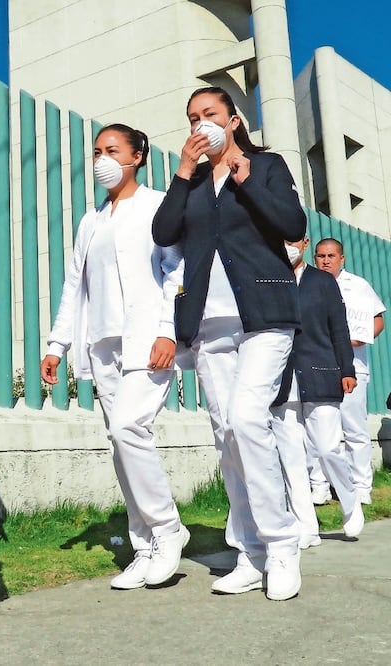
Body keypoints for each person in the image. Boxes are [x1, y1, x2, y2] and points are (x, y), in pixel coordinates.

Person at [152, 86, 307, 601]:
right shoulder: (192, 181)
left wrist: (244, 177)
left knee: (246, 420)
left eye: (210, 114)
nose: (201, 123)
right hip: (210, 323)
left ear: (234, 120)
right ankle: (250, 552)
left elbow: (292, 224)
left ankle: (282, 545)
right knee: (227, 436)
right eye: (193, 117)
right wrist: (181, 173)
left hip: (265, 314)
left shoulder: (265, 165)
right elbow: (164, 231)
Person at [41, 123, 189, 591]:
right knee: (120, 442)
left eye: (112, 150)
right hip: (103, 345)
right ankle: (142, 546)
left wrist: (169, 330)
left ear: (137, 155)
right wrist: (56, 344)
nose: (102, 159)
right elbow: (73, 286)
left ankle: (167, 530)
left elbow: (176, 271)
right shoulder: (90, 221)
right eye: (97, 151)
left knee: (129, 427)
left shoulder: (158, 205)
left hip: (148, 339)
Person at [270, 236, 362, 550]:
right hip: (282, 381)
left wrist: (346, 369)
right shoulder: (270, 277)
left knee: (326, 448)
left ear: (304, 243)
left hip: (320, 374)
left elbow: (339, 327)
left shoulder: (322, 281)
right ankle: (305, 527)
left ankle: (350, 500)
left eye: (292, 240)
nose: (287, 245)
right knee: (292, 460)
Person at [313, 238, 386, 505]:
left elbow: (378, 319)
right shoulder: (308, 284)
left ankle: (361, 485)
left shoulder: (358, 286)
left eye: (331, 255)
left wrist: (361, 338)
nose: (326, 260)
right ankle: (319, 484)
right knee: (318, 428)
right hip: (319, 365)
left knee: (354, 428)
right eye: (321, 256)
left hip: (354, 366)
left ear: (341, 258)